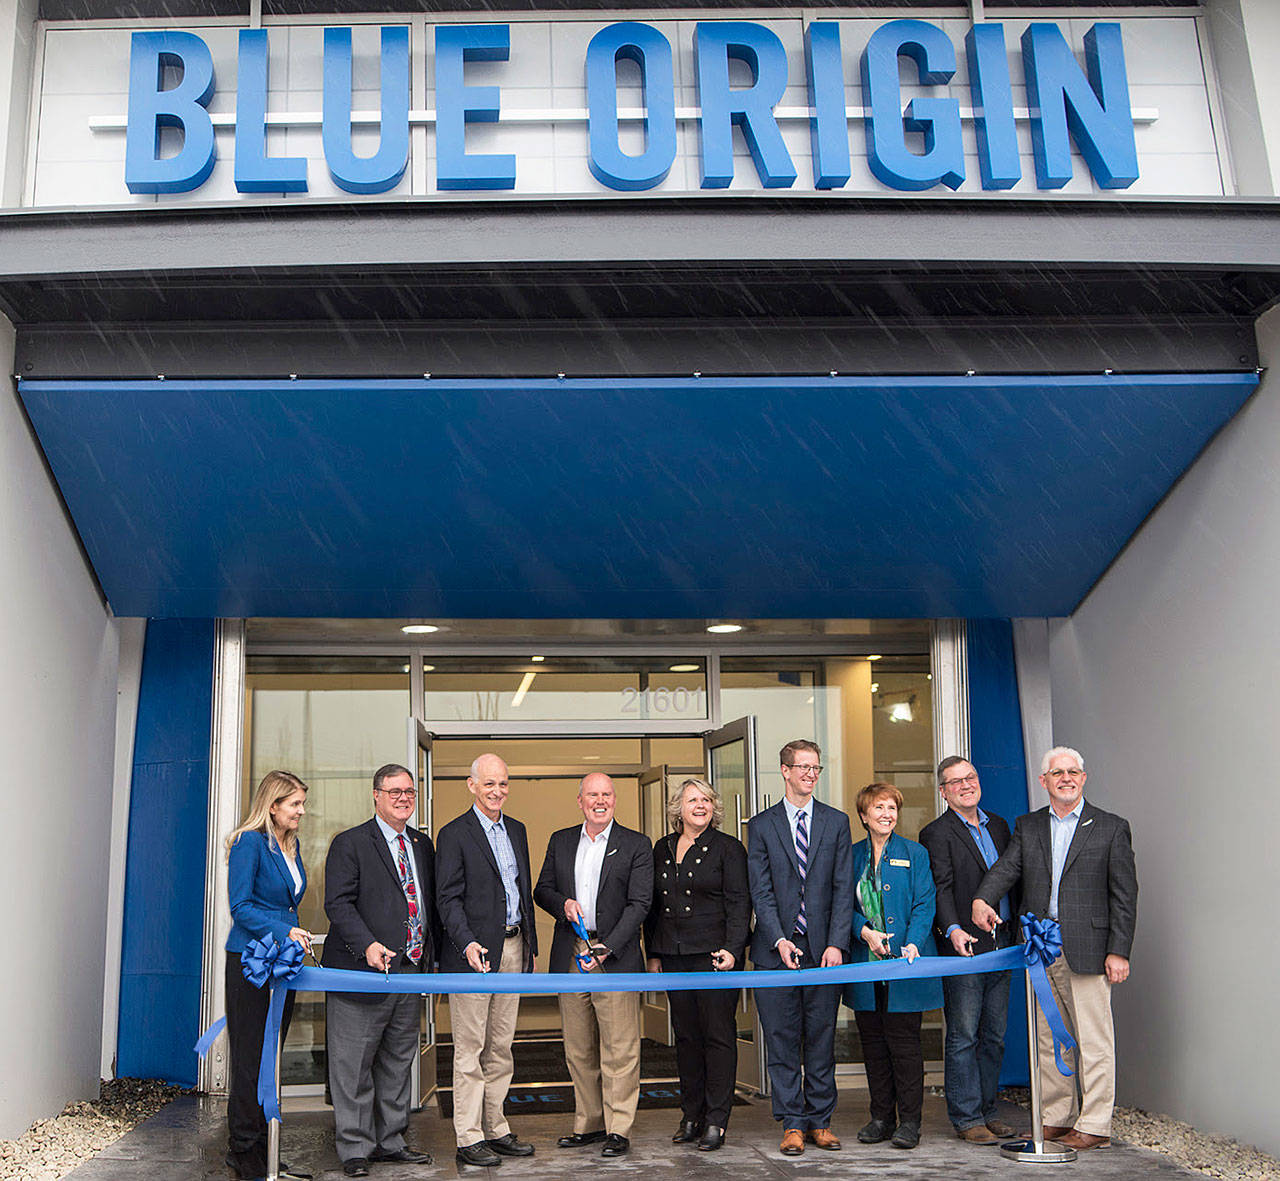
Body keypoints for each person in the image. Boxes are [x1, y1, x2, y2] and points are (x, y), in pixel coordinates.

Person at [973, 745, 1137, 1152]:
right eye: (1057, 772)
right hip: (1040, 949)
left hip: (1092, 949)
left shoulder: (1111, 827)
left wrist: (1119, 950)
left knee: (1094, 1039)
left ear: (1084, 778)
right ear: (1043, 781)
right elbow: (1007, 869)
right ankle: (1057, 1118)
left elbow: (1124, 895)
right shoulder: (1028, 826)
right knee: (1049, 1038)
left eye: (1073, 771)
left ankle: (1095, 1124)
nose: (1066, 778)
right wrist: (983, 900)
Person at [322, 763, 438, 1178]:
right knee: (352, 1066)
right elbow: (337, 903)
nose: (404, 798)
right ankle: (354, 1147)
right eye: (394, 792)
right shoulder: (350, 843)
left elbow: (429, 907)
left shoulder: (422, 846)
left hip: (410, 971)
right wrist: (368, 945)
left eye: (409, 791)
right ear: (376, 795)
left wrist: (432, 961)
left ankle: (391, 1141)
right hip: (361, 973)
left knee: (396, 1062)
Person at [533, 772, 653, 1158]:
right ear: (580, 800)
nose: (599, 801)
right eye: (592, 795)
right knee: (578, 1047)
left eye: (606, 794)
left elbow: (640, 905)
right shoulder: (561, 839)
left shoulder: (636, 844)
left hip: (614, 955)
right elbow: (542, 889)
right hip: (571, 950)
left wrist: (609, 947)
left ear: (614, 799)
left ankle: (619, 1128)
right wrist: (561, 904)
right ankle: (589, 1124)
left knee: (619, 1049)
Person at [747, 739, 853, 1157]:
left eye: (816, 768)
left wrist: (835, 943)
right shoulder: (761, 825)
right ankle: (792, 1123)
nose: (810, 774)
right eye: (802, 767)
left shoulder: (836, 822)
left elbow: (844, 888)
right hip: (775, 950)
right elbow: (762, 891)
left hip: (823, 950)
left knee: (822, 1038)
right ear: (785, 771)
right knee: (782, 1038)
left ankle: (820, 1122)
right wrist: (779, 938)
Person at [436, 753, 538, 1167]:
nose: (497, 791)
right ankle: (469, 1135)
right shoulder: (454, 833)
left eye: (503, 784)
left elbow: (520, 889)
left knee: (501, 1047)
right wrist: (466, 943)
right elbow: (448, 897)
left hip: (512, 948)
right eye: (489, 783)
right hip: (473, 955)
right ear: (472, 784)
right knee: (470, 1049)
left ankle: (496, 1128)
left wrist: (528, 945)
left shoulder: (516, 829)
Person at [644, 777, 750, 1152]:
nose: (700, 805)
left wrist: (734, 950)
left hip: (715, 956)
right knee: (686, 1037)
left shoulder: (729, 849)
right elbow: (651, 906)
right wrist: (652, 953)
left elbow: (740, 904)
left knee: (717, 1036)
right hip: (672, 955)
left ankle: (717, 1120)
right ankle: (691, 1114)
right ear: (679, 807)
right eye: (692, 799)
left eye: (706, 799)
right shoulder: (662, 847)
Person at [919, 757, 1019, 1144]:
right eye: (955, 781)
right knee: (963, 1034)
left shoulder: (999, 825)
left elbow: (1012, 877)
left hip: (1003, 942)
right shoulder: (936, 833)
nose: (966, 785)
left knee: (994, 1034)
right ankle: (966, 1117)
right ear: (943, 792)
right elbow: (941, 888)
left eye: (971, 777)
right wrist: (953, 929)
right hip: (964, 947)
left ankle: (989, 1109)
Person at [224, 770, 312, 1181]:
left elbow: (287, 905)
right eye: (295, 804)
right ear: (272, 805)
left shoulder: (289, 846)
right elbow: (240, 907)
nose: (301, 811)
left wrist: (289, 935)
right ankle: (243, 1152)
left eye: (302, 804)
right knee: (249, 1058)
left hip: (283, 964)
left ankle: (266, 1149)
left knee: (269, 1059)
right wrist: (283, 930)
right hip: (251, 963)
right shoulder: (249, 843)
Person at [843, 781, 942, 1151]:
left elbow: (925, 903)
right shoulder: (850, 856)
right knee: (872, 1044)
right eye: (879, 808)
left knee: (905, 1044)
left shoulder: (914, 853)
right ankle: (881, 1117)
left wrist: (913, 942)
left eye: (892, 808)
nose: (887, 815)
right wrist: (864, 932)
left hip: (905, 964)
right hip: (865, 964)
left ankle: (911, 1122)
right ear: (864, 816)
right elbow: (841, 906)